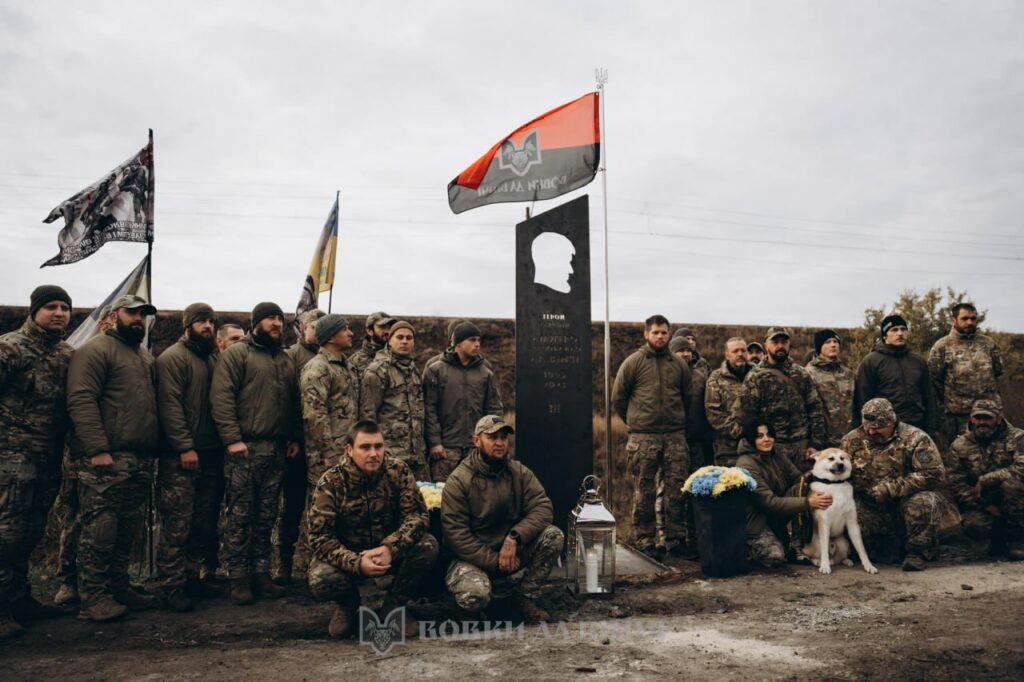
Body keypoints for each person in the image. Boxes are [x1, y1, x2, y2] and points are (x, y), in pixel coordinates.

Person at [67, 294, 160, 621]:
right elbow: (81, 400)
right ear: (113, 315)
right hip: (106, 460)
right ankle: (92, 597)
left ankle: (118, 587)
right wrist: (97, 449)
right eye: (132, 313)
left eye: (143, 315)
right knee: (100, 530)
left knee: (126, 529)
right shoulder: (95, 351)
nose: (138, 319)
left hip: (139, 460)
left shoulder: (144, 357)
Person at [307, 420, 437, 639]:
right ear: (350, 450)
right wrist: (356, 563)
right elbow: (319, 538)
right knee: (321, 577)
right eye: (365, 447)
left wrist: (390, 548)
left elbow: (417, 517)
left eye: (378, 446)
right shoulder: (331, 482)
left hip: (389, 551)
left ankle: (394, 606)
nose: (374, 453)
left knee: (427, 545)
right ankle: (348, 605)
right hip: (351, 554)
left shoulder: (398, 471)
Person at [211, 302, 300, 605]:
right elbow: (221, 398)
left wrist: (293, 437)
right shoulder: (238, 354)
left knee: (266, 516)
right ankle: (238, 577)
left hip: (276, 451)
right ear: (256, 322)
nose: (277, 324)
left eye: (280, 319)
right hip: (244, 449)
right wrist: (232, 439)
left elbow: (292, 402)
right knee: (240, 514)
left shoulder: (285, 359)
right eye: (270, 318)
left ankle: (261, 573)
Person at [0, 286, 74, 637]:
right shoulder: (9, 348)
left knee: (30, 533)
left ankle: (19, 598)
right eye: (50, 307)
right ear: (34, 311)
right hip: (9, 461)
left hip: (47, 460)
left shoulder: (65, 354)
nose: (58, 313)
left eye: (64, 307)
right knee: (5, 534)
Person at [441, 415, 563, 623]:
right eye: (492, 437)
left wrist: (515, 537)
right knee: (475, 597)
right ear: (476, 441)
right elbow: (456, 536)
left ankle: (525, 598)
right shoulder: (459, 481)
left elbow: (542, 507)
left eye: (504, 437)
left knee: (553, 536)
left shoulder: (519, 472)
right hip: (473, 560)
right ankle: (468, 608)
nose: (500, 443)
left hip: (510, 552)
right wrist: (494, 561)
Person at [155, 303, 223, 612]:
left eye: (211, 321)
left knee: (202, 522)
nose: (207, 326)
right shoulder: (173, 358)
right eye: (201, 322)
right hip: (182, 456)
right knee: (177, 522)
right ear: (187, 325)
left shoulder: (212, 358)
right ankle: (171, 585)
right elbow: (170, 406)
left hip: (211, 453)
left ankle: (192, 576)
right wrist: (184, 446)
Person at [612, 314, 697, 559]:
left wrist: (677, 423)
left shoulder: (678, 365)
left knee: (676, 490)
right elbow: (619, 398)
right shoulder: (633, 363)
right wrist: (637, 423)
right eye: (655, 332)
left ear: (669, 335)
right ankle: (645, 539)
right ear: (646, 334)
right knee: (644, 491)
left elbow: (687, 397)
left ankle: (675, 539)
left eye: (664, 332)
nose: (660, 336)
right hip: (643, 438)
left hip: (674, 436)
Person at [841, 398, 958, 571]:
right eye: (868, 427)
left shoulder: (916, 438)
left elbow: (933, 474)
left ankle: (917, 551)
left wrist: (890, 488)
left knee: (925, 502)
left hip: (904, 505)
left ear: (892, 422)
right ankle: (881, 545)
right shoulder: (852, 440)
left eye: (878, 428)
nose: (871, 432)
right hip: (870, 506)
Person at [297, 315, 359, 573]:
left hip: (347, 453)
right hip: (327, 456)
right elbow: (314, 414)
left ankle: (343, 565)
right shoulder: (317, 368)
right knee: (320, 512)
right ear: (331, 336)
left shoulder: (346, 365)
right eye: (345, 329)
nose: (351, 333)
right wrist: (330, 453)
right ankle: (315, 568)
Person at [736, 421, 831, 567]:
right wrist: (808, 502)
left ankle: (796, 545)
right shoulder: (746, 464)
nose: (766, 439)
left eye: (769, 435)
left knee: (804, 488)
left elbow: (798, 480)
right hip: (758, 521)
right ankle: (746, 547)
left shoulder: (776, 455)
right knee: (775, 557)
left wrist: (817, 473)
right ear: (750, 439)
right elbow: (769, 502)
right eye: (760, 436)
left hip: (775, 515)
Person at [734, 327, 828, 474]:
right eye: (775, 342)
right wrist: (760, 446)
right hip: (772, 449)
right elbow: (749, 417)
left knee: (804, 488)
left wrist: (815, 443)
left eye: (784, 342)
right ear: (766, 345)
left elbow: (815, 408)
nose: (780, 346)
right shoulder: (755, 377)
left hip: (802, 448)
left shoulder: (801, 374)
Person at [276, 308, 325, 584]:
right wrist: (292, 437)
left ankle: (314, 562)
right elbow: (287, 401)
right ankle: (283, 561)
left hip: (323, 446)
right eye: (313, 326)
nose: (318, 331)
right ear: (302, 328)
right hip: (297, 446)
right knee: (292, 505)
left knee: (321, 508)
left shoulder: (331, 356)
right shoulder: (290, 358)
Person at [423, 320, 503, 482]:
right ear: (458, 343)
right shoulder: (436, 369)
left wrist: (488, 441)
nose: (477, 344)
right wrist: (435, 442)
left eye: (479, 340)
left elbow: (493, 408)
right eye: (472, 340)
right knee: (441, 497)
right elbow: (428, 409)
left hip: (476, 447)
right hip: (446, 450)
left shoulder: (485, 372)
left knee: (477, 494)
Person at [947, 399, 1024, 560]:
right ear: (971, 419)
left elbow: (1021, 468)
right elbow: (956, 484)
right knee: (974, 526)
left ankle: (1017, 540)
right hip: (982, 502)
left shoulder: (1018, 437)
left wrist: (985, 479)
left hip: (1016, 498)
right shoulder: (959, 445)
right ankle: (997, 540)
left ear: (999, 418)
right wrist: (985, 505)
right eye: (978, 418)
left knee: (1012, 485)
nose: (982, 422)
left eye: (988, 418)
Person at [928, 303, 1004, 447]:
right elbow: (934, 381)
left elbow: (999, 373)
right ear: (954, 320)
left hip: (990, 414)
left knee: (996, 453)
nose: (970, 322)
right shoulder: (942, 346)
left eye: (973, 318)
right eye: (964, 318)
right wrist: (950, 404)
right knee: (962, 455)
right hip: (959, 416)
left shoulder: (988, 344)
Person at [359, 320, 427, 480]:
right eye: (400, 337)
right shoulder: (377, 371)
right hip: (390, 454)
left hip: (416, 454)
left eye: (409, 338)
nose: (405, 341)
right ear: (389, 341)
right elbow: (368, 414)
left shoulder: (413, 370)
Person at [853, 314, 939, 436]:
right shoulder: (871, 361)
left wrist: (931, 426)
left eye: (903, 329)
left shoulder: (918, 361)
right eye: (894, 330)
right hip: (885, 428)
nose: (900, 333)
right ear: (884, 335)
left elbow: (929, 396)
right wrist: (866, 429)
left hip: (917, 425)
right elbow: (862, 398)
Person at [704, 337, 751, 465]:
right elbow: (713, 414)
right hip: (728, 450)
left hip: (756, 447)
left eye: (743, 350)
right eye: (735, 351)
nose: (740, 354)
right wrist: (742, 432)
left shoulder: (757, 375)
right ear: (727, 355)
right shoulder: (716, 378)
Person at [805, 329, 855, 447]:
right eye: (827, 342)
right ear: (819, 347)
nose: (833, 344)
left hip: (849, 438)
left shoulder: (848, 374)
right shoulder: (808, 373)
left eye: (835, 341)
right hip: (823, 441)